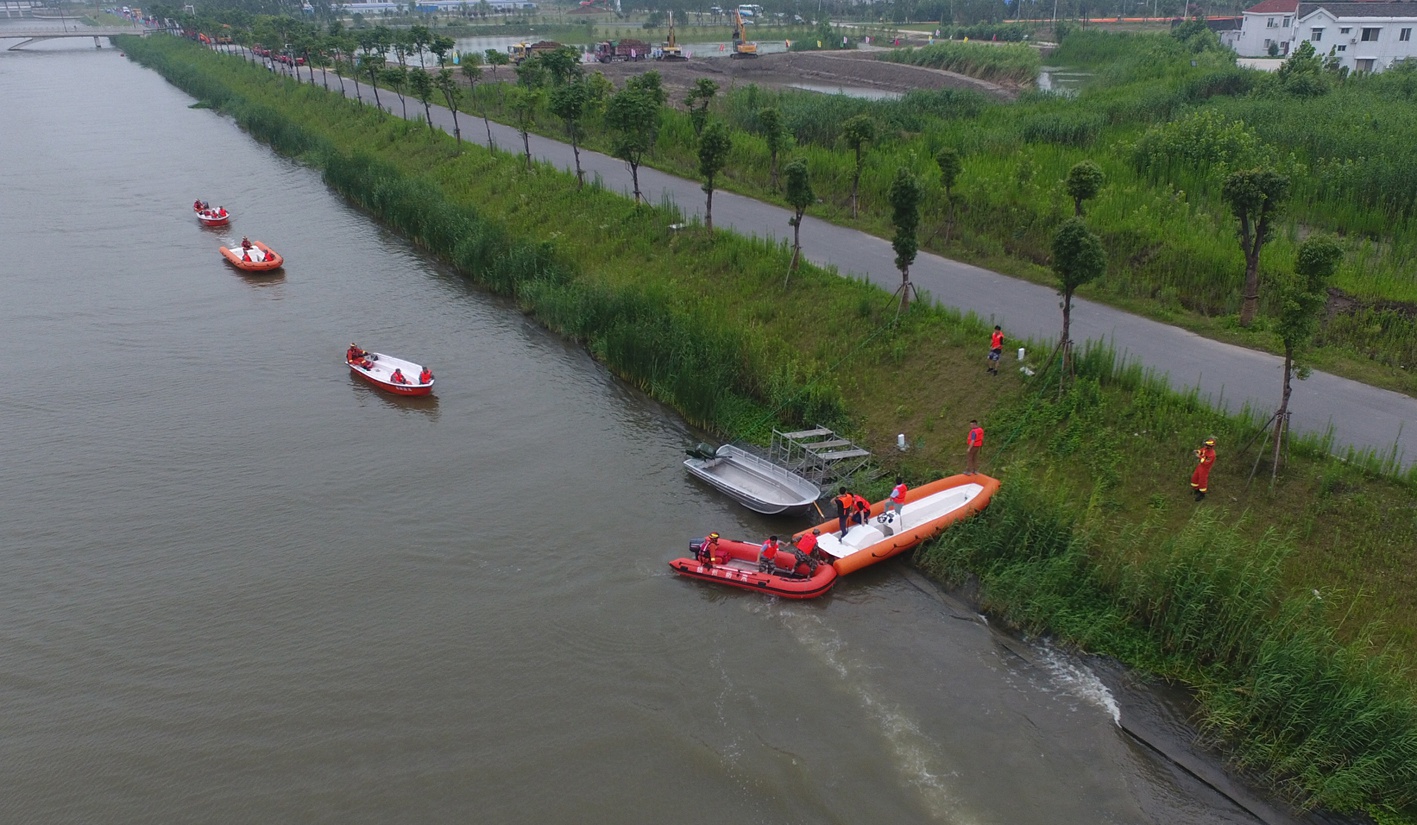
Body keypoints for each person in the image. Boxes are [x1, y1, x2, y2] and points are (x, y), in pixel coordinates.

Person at [1191, 436, 1216, 501]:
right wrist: (1197, 451)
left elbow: (1205, 462)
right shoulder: (1205, 449)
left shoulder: (1212, 454)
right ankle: (1196, 489)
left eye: (1206, 444)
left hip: (1205, 469)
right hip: (1200, 466)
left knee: (1202, 481)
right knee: (1195, 478)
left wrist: (1198, 457)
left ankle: (1202, 494)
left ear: (1210, 446)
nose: (1205, 446)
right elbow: (1201, 451)